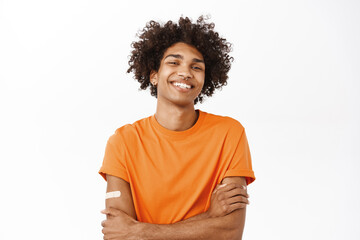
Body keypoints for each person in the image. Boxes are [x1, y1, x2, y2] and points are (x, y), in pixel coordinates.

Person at [99, 16, 256, 240]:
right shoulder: (123, 142)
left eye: (196, 67)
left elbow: (229, 231)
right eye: (174, 62)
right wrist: (210, 215)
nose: (185, 72)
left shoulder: (229, 133)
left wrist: (142, 231)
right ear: (154, 75)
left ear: (205, 79)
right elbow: (120, 235)